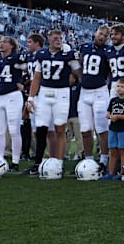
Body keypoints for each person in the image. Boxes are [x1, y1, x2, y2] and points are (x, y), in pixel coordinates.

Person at [27, 29, 83, 175]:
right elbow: (37, 78)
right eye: (56, 38)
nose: (59, 40)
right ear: (49, 39)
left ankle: (59, 162)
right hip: (45, 92)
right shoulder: (41, 54)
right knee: (41, 129)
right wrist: (31, 97)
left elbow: (79, 74)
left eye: (60, 38)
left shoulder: (68, 55)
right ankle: (38, 162)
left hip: (62, 93)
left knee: (59, 128)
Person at [78, 24, 111, 171]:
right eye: (100, 34)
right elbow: (79, 65)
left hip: (100, 92)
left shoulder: (107, 51)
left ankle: (104, 159)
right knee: (85, 129)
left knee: (102, 128)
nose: (102, 37)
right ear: (95, 33)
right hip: (84, 91)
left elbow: (111, 73)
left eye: (105, 35)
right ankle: (88, 159)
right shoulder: (84, 47)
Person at [0, 36, 27, 171]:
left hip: (13, 95)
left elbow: (30, 68)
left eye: (5, 42)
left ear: (12, 45)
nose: (1, 44)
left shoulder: (17, 57)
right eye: (0, 42)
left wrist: (23, 83)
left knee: (14, 129)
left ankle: (15, 162)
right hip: (0, 96)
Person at [23, 33, 45, 175]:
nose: (28, 44)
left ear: (37, 43)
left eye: (30, 42)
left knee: (45, 130)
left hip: (43, 94)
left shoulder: (43, 55)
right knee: (36, 130)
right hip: (33, 95)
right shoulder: (30, 57)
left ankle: (46, 158)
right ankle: (39, 157)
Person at [103, 77, 124, 180]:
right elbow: (108, 112)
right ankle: (111, 172)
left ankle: (122, 172)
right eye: (118, 86)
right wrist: (109, 115)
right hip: (113, 128)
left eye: (122, 86)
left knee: (123, 150)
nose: (119, 88)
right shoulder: (113, 100)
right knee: (112, 151)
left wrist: (118, 117)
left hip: (123, 129)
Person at [106, 24, 124, 98]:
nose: (113, 37)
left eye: (116, 34)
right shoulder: (108, 50)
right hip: (114, 84)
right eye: (111, 34)